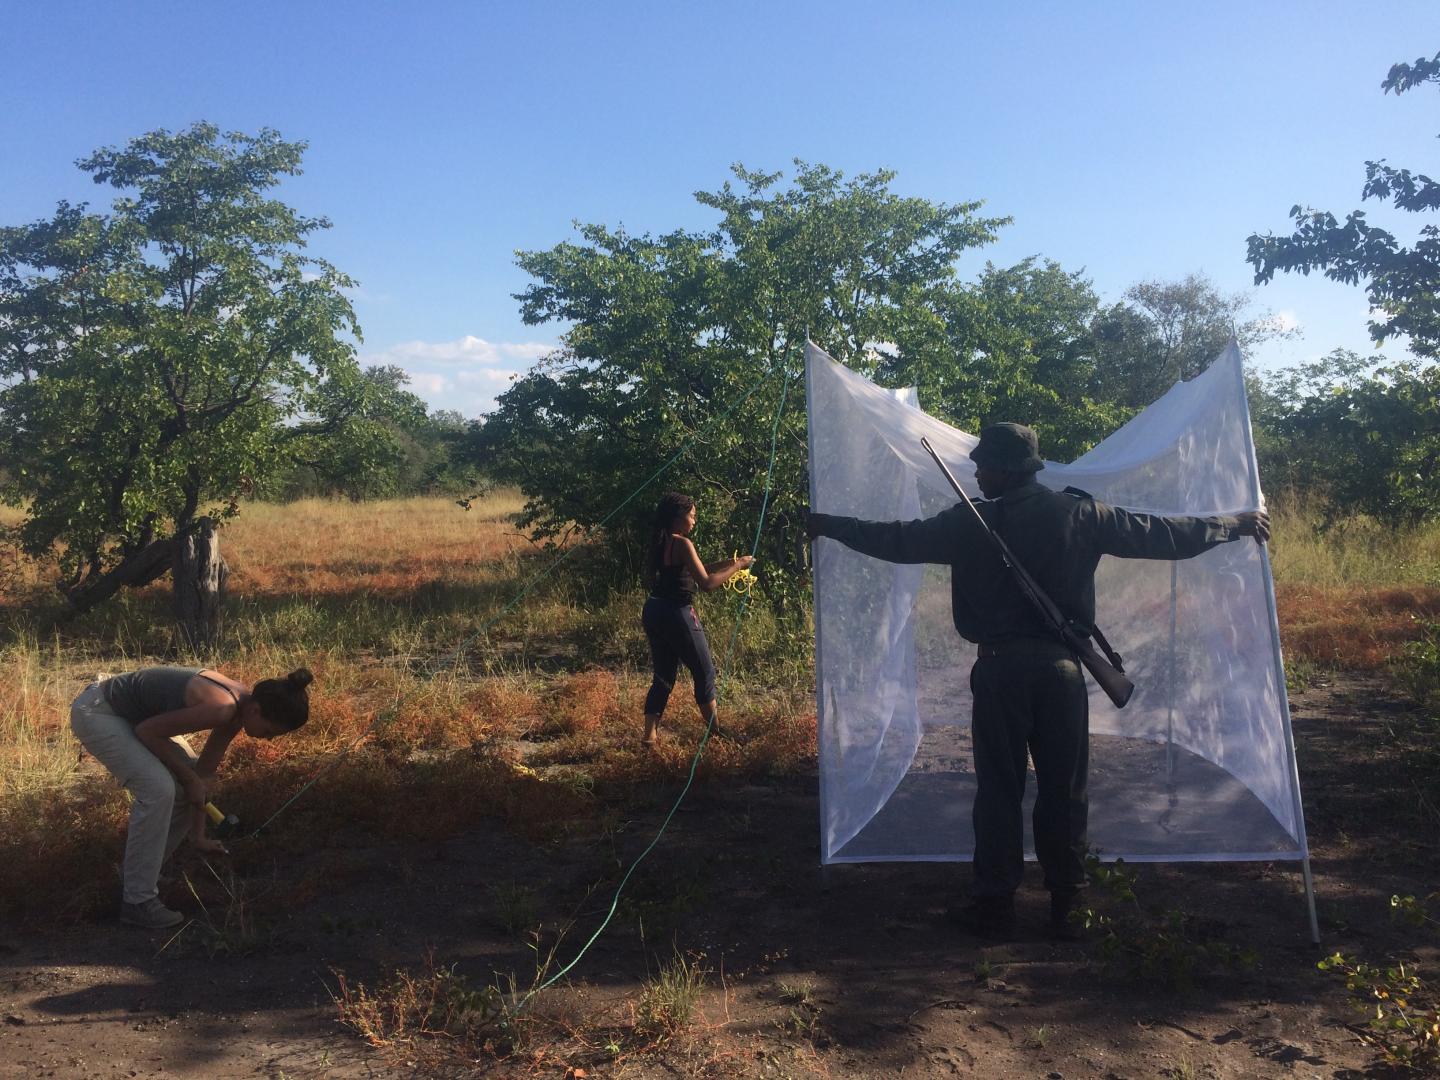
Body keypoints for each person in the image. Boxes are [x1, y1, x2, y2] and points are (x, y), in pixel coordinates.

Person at [805, 423, 1269, 940]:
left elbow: (896, 539)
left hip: (1000, 672)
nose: (976, 472)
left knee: (999, 790)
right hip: (1062, 675)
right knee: (1064, 791)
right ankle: (1067, 905)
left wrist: (829, 524)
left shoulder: (969, 522)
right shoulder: (1081, 514)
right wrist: (1232, 523)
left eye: (984, 465)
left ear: (1007, 469)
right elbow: (1160, 535)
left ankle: (995, 906)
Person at [70, 666, 314, 928]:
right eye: (269, 732)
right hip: (98, 711)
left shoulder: (239, 710)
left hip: (133, 718)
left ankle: (140, 878)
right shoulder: (223, 707)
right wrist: (188, 779)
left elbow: (203, 777)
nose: (267, 739)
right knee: (160, 789)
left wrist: (199, 836)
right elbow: (147, 732)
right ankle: (137, 902)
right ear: (256, 710)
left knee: (183, 782)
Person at [642, 493, 756, 748]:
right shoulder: (683, 543)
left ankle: (649, 737)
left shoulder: (662, 541)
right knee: (704, 671)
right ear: (677, 517)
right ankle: (715, 733)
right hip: (677, 613)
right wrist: (737, 566)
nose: (694, 521)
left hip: (653, 610)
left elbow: (697, 568)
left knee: (663, 676)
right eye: (691, 515)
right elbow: (706, 583)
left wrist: (732, 562)